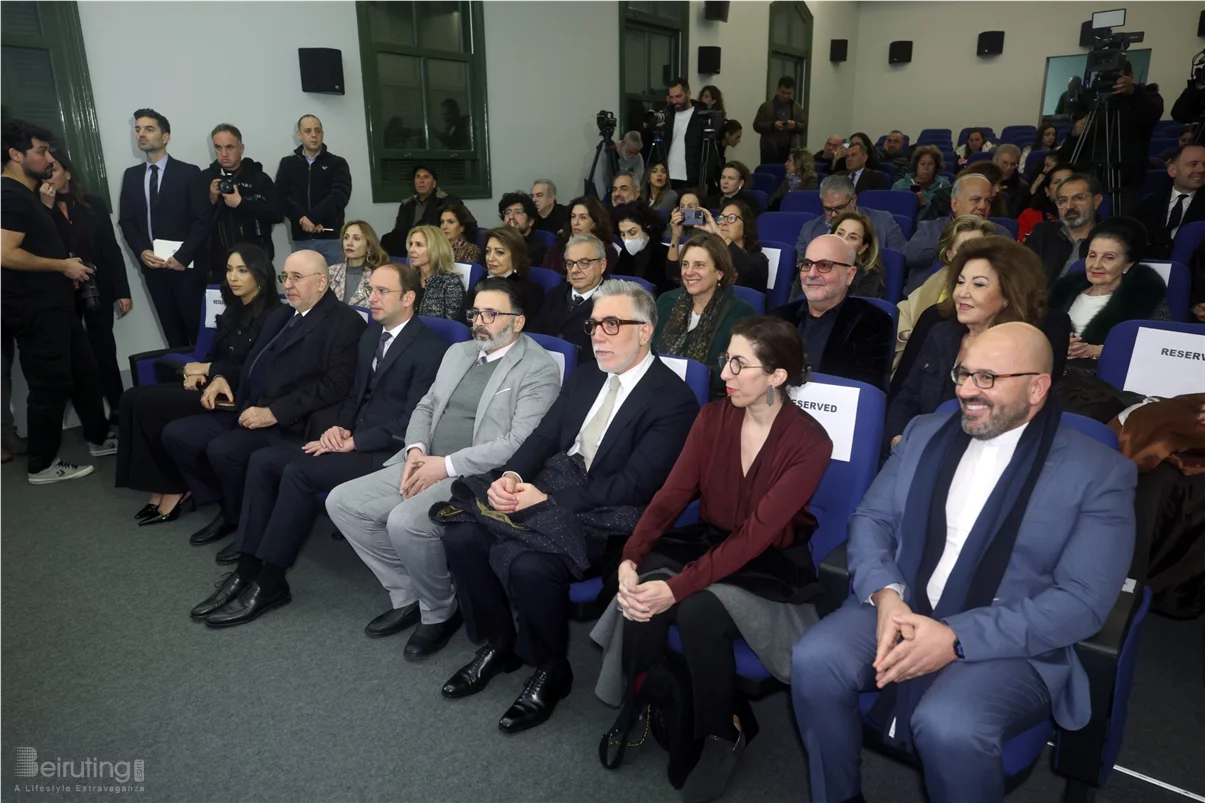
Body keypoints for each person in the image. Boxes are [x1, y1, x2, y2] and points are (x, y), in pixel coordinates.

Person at [791, 322, 1137, 803]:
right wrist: (885, 595)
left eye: (987, 378)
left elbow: (1083, 602)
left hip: (1013, 638)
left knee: (950, 724)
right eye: (962, 373)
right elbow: (872, 517)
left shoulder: (1100, 474)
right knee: (814, 660)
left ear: (1037, 387)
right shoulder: (925, 431)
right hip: (906, 602)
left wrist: (956, 638)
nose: (966, 391)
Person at [441, 280, 699, 732]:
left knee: (529, 566)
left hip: (611, 512)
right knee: (461, 533)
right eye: (595, 324)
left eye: (612, 324)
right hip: (554, 483)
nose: (597, 335)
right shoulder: (584, 374)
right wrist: (512, 478)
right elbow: (542, 438)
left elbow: (635, 484)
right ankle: (500, 642)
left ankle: (551, 669)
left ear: (646, 331)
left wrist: (548, 499)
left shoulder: (673, 399)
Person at [597, 315, 831, 797]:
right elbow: (671, 494)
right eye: (726, 359)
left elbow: (755, 538)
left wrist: (676, 588)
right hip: (711, 539)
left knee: (698, 608)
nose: (723, 373)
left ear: (777, 376)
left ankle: (723, 735)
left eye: (738, 364)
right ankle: (643, 698)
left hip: (770, 559)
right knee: (642, 581)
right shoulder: (713, 418)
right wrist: (631, 555)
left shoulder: (809, 441)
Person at [191, 262, 449, 626]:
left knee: (298, 472)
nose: (370, 298)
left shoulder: (430, 349)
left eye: (381, 292)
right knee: (264, 461)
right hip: (354, 437)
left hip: (388, 452)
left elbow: (414, 420)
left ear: (408, 298)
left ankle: (270, 581)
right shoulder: (371, 336)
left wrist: (355, 440)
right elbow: (353, 394)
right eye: (370, 290)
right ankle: (247, 568)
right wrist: (339, 428)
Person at [325, 278, 560, 652]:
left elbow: (518, 443)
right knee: (341, 502)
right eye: (475, 313)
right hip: (423, 460)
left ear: (518, 322)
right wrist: (416, 450)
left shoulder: (538, 368)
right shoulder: (459, 352)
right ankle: (408, 594)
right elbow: (426, 405)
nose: (479, 321)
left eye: (491, 314)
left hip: (473, 474)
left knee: (405, 523)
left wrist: (444, 465)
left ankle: (438, 610)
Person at [161, 250, 366, 548]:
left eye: (297, 277)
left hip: (291, 422)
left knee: (223, 450)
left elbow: (334, 386)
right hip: (245, 405)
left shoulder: (344, 322)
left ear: (322, 282)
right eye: (285, 277)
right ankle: (234, 509)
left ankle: (247, 521)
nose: (288, 284)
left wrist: (273, 413)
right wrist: (221, 378)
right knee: (177, 436)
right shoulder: (284, 314)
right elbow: (252, 362)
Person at [118, 245, 282, 525]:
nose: (233, 277)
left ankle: (173, 488)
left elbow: (256, 370)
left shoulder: (274, 316)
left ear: (261, 274)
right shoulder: (232, 310)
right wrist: (196, 372)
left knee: (150, 405)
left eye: (242, 270)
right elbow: (214, 355)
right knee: (131, 397)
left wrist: (209, 369)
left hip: (235, 396)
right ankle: (159, 488)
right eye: (230, 270)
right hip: (211, 385)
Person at [0, 120, 113, 484]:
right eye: (40, 151)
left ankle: (98, 437)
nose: (48, 157)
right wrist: (61, 265)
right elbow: (5, 253)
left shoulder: (28, 196)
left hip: (56, 304)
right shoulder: (10, 195)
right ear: (16, 155)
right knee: (50, 385)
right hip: (35, 307)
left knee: (83, 371)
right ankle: (42, 465)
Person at [887, 237, 1068, 448]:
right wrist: (898, 440)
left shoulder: (1023, 352)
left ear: (1008, 296)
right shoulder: (941, 335)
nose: (962, 293)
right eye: (961, 282)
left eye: (979, 284)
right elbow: (906, 399)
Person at [42, 152, 131, 422]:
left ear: (68, 173)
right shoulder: (38, 207)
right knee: (74, 355)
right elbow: (39, 245)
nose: (48, 176)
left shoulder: (92, 203)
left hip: (96, 285)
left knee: (104, 348)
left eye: (53, 169)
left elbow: (110, 248)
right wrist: (44, 208)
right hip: (60, 289)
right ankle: (91, 418)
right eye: (44, 171)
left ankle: (119, 408)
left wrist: (123, 291)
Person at [117, 108, 210, 348]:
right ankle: (182, 382)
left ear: (165, 136)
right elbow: (126, 221)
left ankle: (209, 380)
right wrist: (141, 251)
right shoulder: (132, 176)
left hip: (185, 268)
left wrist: (182, 256)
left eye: (149, 129)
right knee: (172, 333)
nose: (141, 135)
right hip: (154, 268)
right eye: (137, 129)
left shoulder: (188, 173)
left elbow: (203, 220)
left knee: (197, 330)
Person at [1049, 217, 1171, 374]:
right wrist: (1055, 344)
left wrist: (1097, 351)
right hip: (1053, 376)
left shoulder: (1145, 299)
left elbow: (1159, 351)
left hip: (1107, 383)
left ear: (1128, 264)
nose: (1096, 265)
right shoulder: (1062, 292)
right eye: (1092, 255)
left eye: (1109, 258)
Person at [772, 234, 894, 391]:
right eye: (807, 264)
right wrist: (769, 404)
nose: (811, 274)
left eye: (824, 265)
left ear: (849, 276)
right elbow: (764, 381)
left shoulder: (873, 322)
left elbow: (865, 393)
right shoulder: (776, 319)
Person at [655, 233, 757, 398]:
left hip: (707, 399)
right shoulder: (665, 302)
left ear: (719, 272)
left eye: (699, 265)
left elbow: (733, 370)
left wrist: (690, 374)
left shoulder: (742, 314)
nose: (689, 272)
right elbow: (647, 350)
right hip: (657, 391)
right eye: (685, 264)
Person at [1057, 61, 1163, 215]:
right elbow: (1068, 152)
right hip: (1087, 180)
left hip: (1123, 182)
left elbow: (1152, 113)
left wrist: (1133, 93)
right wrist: (1074, 133)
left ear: (1129, 76)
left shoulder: (1144, 97)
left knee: (1118, 230)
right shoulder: (1093, 101)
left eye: (1117, 76)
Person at [896, 216, 997, 372]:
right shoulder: (935, 282)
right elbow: (906, 311)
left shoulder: (995, 292)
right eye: (964, 250)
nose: (971, 257)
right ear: (949, 254)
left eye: (979, 250)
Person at [199, 123, 283, 279]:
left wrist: (241, 203)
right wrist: (211, 199)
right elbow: (195, 222)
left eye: (229, 147)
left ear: (241, 148)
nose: (224, 153)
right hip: (218, 264)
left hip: (256, 261)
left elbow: (277, 214)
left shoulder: (259, 178)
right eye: (218, 148)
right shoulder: (205, 179)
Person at [275, 114, 351, 265]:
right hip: (302, 238)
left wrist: (313, 218)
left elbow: (339, 196)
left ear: (322, 134)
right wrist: (302, 219)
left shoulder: (337, 163)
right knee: (305, 284)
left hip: (331, 239)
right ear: (299, 135)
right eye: (308, 131)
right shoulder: (287, 163)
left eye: (317, 131)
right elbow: (281, 196)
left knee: (335, 285)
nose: (314, 135)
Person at [530, 234, 609, 364]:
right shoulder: (554, 294)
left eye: (584, 263)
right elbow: (535, 333)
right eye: (570, 263)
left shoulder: (612, 301)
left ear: (602, 265)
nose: (575, 270)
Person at [903, 174, 994, 279]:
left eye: (988, 201)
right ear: (955, 204)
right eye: (976, 199)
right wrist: (952, 243)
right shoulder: (929, 228)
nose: (983, 206)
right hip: (929, 292)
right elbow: (909, 256)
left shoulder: (1000, 233)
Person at [796, 175, 907, 257]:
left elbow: (899, 262)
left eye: (839, 208)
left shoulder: (883, 222)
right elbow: (799, 266)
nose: (833, 214)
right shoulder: (809, 230)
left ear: (853, 200)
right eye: (828, 209)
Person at [674, 201, 768, 291]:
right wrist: (676, 235)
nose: (723, 223)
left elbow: (748, 271)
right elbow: (673, 276)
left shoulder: (759, 259)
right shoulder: (713, 256)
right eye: (722, 218)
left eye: (731, 218)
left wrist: (719, 234)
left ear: (746, 225)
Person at [1025, 172, 1102, 282]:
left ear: (1096, 201)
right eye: (1063, 200)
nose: (1069, 206)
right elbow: (1022, 275)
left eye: (1078, 198)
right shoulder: (1042, 233)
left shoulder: (1110, 239)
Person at [1134, 144, 1205, 260]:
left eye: (1204, 164)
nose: (1201, 170)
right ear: (1173, 170)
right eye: (1193, 164)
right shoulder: (1149, 203)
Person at [381, 165, 460, 255]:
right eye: (418, 177)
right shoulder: (406, 205)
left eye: (426, 177)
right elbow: (399, 230)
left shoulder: (447, 201)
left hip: (432, 244)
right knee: (387, 239)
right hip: (409, 243)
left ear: (434, 183)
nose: (421, 181)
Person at [476, 225, 545, 318]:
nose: (490, 258)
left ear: (515, 257)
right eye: (488, 251)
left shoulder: (531, 292)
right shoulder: (480, 281)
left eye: (499, 252)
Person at [543, 196, 619, 275]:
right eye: (573, 216)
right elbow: (544, 277)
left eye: (583, 217)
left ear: (595, 223)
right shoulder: (558, 247)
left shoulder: (608, 252)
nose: (576, 222)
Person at [409, 224, 466, 320]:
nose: (411, 250)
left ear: (435, 248)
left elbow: (452, 326)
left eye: (419, 245)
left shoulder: (451, 283)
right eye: (411, 244)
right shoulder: (407, 278)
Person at [613, 202, 673, 294]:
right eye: (623, 234)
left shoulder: (664, 254)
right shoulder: (624, 254)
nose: (627, 239)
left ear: (647, 226)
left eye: (632, 233)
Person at [664, 77, 708, 189]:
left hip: (691, 178)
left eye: (678, 96)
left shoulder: (701, 117)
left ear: (688, 93)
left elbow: (708, 151)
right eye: (671, 97)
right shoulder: (667, 116)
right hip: (667, 177)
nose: (674, 101)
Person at [328, 220, 386, 306]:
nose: (349, 243)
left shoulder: (379, 276)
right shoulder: (330, 272)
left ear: (369, 247)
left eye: (356, 238)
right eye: (346, 237)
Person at [753, 76, 808, 165]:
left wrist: (795, 125)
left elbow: (803, 126)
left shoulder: (796, 107)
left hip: (789, 150)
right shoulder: (766, 106)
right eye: (783, 92)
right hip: (770, 150)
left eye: (789, 93)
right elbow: (756, 125)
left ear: (792, 91)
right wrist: (772, 125)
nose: (785, 96)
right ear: (778, 89)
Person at [1016, 161, 1075, 242]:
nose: (1063, 186)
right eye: (1057, 182)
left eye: (1069, 181)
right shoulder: (1029, 216)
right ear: (1047, 191)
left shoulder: (1085, 215)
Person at [832, 211, 886, 299]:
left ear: (862, 248)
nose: (843, 240)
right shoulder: (812, 264)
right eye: (840, 233)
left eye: (852, 237)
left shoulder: (869, 276)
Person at [891, 145, 949, 214]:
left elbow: (945, 214)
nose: (926, 168)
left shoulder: (944, 185)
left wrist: (925, 203)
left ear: (936, 166)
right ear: (916, 165)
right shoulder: (899, 185)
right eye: (922, 164)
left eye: (930, 164)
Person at [498, 191, 548, 268]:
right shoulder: (498, 242)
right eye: (507, 212)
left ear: (530, 221)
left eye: (518, 212)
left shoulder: (537, 249)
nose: (511, 216)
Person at [993, 145, 1028, 217]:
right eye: (1005, 163)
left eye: (1013, 164)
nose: (1009, 168)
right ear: (995, 161)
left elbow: (1011, 217)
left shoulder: (1022, 188)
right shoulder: (982, 181)